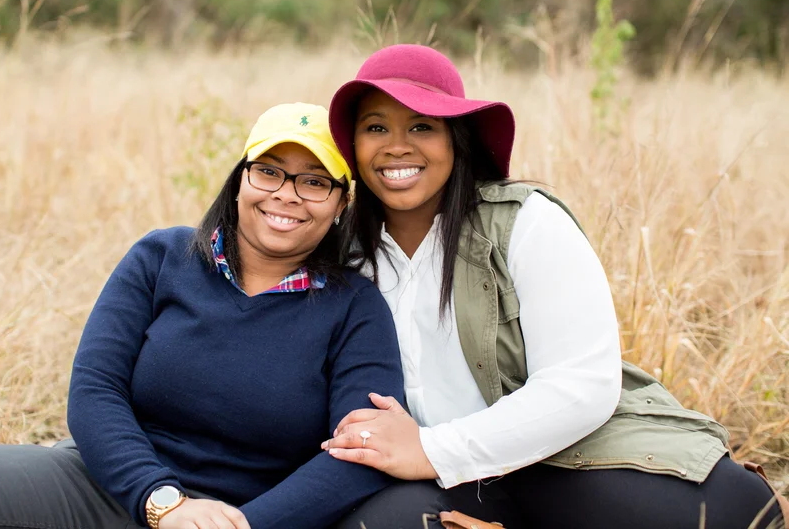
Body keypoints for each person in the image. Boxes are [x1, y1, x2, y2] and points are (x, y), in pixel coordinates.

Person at [321, 44, 788, 529]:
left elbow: (581, 384)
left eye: (422, 126)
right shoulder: (340, 252)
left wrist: (431, 448)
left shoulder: (524, 222)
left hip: (570, 458)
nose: (397, 146)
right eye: (376, 128)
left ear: (457, 139)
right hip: (447, 482)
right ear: (352, 145)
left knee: (716, 515)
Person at [0, 103, 406, 529]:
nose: (285, 194)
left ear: (340, 204)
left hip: (244, 516)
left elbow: (361, 453)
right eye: (268, 171)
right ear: (240, 180)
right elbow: (95, 388)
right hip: (109, 487)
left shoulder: (354, 308)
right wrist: (162, 502)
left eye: (314, 182)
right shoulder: (162, 257)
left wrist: (244, 526)